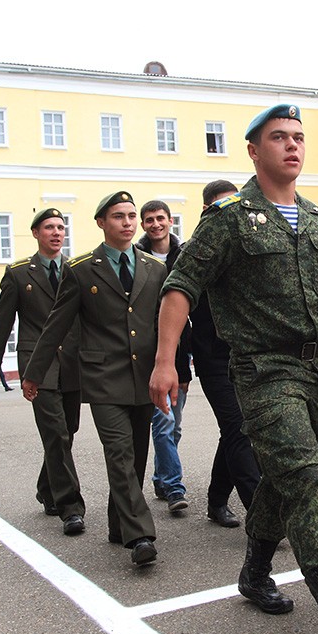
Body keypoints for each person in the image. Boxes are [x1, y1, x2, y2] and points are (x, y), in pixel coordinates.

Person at [151, 104, 318, 634]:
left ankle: (255, 570)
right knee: (305, 475)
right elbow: (180, 287)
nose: (292, 146)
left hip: (313, 370)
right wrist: (166, 361)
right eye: (279, 137)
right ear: (254, 151)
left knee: (283, 478)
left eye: (299, 138)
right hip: (262, 369)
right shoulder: (231, 218)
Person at [23, 191, 165, 567]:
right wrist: (34, 373)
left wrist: (173, 369)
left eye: (132, 215)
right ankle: (140, 537)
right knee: (118, 454)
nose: (128, 222)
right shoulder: (83, 268)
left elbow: (160, 324)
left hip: (144, 376)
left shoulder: (154, 267)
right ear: (102, 222)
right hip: (103, 378)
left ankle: (119, 525)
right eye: (119, 216)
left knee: (135, 457)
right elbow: (56, 325)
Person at [0, 208, 85, 533]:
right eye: (49, 227)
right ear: (36, 233)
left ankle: (47, 489)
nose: (56, 232)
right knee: (56, 432)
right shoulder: (18, 274)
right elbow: (2, 325)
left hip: (71, 363)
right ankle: (71, 508)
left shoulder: (77, 270)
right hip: (37, 366)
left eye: (60, 227)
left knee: (67, 432)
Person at [191, 179, 263, 528]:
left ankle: (217, 499)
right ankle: (260, 512)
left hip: (248, 353)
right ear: (208, 209)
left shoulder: (249, 243)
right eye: (222, 204)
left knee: (236, 430)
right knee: (237, 426)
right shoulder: (194, 249)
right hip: (213, 357)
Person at [137, 199, 192, 513]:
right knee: (163, 422)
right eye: (149, 220)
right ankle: (173, 487)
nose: (155, 224)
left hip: (180, 354)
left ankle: (160, 477)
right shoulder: (137, 258)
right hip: (149, 352)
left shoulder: (183, 256)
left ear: (170, 221)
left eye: (160, 218)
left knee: (174, 425)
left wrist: (185, 365)